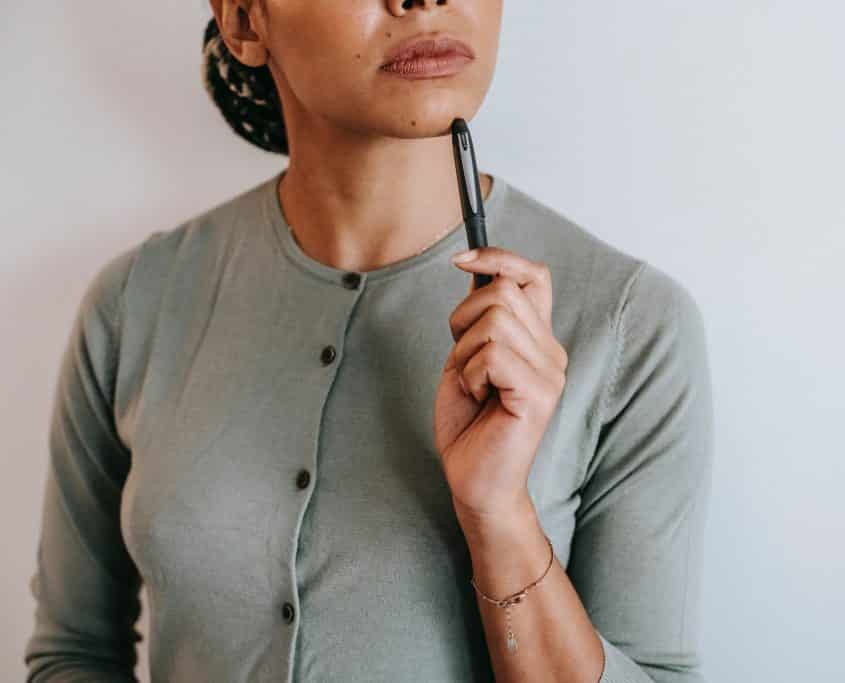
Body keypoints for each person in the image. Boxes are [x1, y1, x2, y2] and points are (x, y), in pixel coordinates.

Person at [24, 1, 715, 681]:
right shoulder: (134, 303)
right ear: (243, 20)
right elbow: (73, 653)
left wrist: (499, 516)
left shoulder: (632, 328)